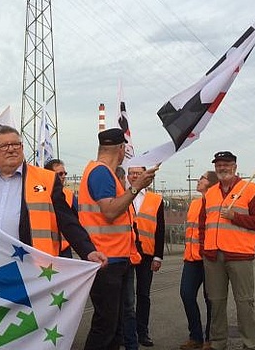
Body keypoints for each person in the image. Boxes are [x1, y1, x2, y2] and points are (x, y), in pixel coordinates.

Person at [0, 125, 108, 265]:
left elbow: (67, 221)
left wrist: (88, 251)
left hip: (33, 268)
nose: (11, 150)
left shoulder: (47, 180)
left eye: (16, 145)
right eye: (4, 146)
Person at [79, 128, 157, 350]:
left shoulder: (103, 172)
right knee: (106, 325)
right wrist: (135, 187)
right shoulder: (101, 173)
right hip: (106, 259)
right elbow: (110, 211)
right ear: (121, 149)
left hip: (115, 258)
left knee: (115, 327)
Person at [199, 151, 255, 350]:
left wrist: (234, 216)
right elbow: (203, 223)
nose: (222, 168)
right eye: (218, 165)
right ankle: (218, 342)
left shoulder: (250, 189)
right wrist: (204, 247)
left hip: (239, 255)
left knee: (244, 302)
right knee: (216, 302)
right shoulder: (210, 193)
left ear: (235, 166)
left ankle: (250, 343)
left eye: (226, 164)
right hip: (213, 255)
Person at [124, 165, 166, 348]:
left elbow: (160, 229)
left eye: (138, 173)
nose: (134, 176)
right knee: (126, 298)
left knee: (143, 295)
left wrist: (158, 256)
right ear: (127, 176)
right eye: (131, 173)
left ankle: (143, 332)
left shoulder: (156, 200)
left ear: (145, 176)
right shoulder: (122, 195)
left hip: (147, 254)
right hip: (125, 252)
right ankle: (126, 334)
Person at [180, 171, 218, 350]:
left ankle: (211, 338)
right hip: (192, 259)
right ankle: (195, 336)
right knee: (186, 294)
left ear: (211, 183)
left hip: (210, 258)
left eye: (202, 178)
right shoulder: (194, 204)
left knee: (210, 299)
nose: (198, 180)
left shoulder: (216, 203)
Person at [44, 158, 76, 257]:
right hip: (44, 249)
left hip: (64, 250)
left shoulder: (69, 196)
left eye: (64, 173)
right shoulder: (38, 195)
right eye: (60, 174)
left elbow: (76, 223)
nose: (63, 177)